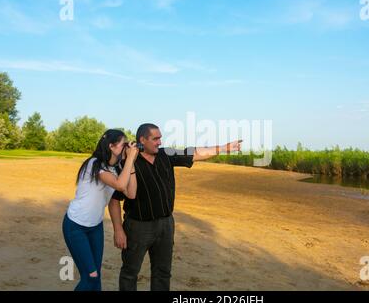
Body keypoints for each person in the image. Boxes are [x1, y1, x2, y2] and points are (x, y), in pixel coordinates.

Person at [108, 123, 242, 291]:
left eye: (160, 138)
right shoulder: (126, 163)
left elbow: (195, 152)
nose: (159, 142)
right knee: (130, 272)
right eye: (155, 139)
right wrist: (118, 230)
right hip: (138, 227)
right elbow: (114, 200)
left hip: (166, 224)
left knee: (163, 272)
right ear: (142, 140)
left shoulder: (166, 154)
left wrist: (224, 148)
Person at [62, 129, 139, 291]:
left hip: (95, 226)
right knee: (91, 277)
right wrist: (131, 157)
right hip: (76, 226)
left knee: (96, 277)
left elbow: (131, 193)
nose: (126, 147)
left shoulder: (116, 168)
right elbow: (119, 185)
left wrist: (129, 163)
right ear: (111, 146)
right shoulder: (94, 164)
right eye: (123, 144)